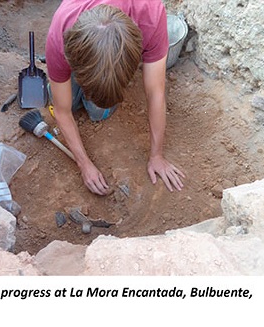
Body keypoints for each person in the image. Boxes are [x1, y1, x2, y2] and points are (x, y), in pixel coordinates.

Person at [44, 0, 184, 195]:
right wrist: (84, 164)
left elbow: (155, 92)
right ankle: (66, 79)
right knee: (67, 101)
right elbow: (62, 111)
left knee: (97, 111)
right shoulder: (59, 34)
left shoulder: (151, 15)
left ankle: (96, 91)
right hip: (72, 41)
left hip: (129, 34)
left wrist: (157, 155)